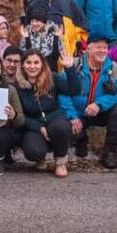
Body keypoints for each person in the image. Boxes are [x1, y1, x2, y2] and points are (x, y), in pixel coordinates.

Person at [59, 33, 117, 169]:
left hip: (101, 112)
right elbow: (62, 94)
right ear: (88, 49)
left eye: (105, 48)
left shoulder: (113, 67)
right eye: (98, 47)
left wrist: (99, 104)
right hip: (78, 114)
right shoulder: (74, 65)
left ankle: (110, 151)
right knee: (65, 131)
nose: (103, 51)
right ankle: (81, 138)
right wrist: (72, 116)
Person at [15, 48, 79, 178]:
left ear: (42, 64)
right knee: (33, 151)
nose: (32, 66)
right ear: (23, 65)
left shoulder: (52, 78)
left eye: (36, 62)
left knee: (61, 128)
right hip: (33, 124)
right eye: (28, 62)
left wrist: (70, 69)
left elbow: (74, 90)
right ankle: (40, 158)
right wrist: (38, 127)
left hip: (55, 118)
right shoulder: (16, 86)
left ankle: (60, 162)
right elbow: (19, 116)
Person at [19, 6, 66, 71]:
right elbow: (24, 55)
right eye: (32, 21)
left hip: (50, 70)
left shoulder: (54, 32)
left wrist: (56, 38)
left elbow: (57, 55)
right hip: (32, 69)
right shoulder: (27, 32)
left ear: (44, 22)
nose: (34, 24)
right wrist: (27, 39)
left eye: (37, 21)